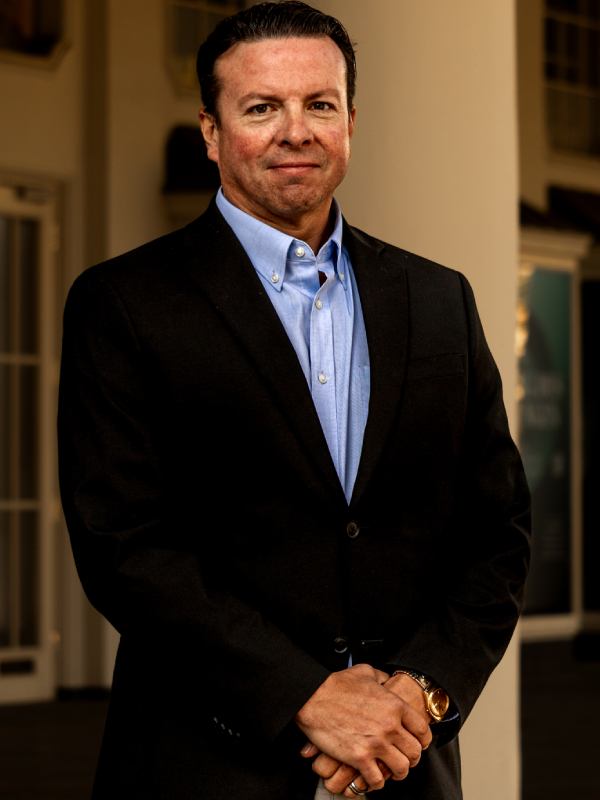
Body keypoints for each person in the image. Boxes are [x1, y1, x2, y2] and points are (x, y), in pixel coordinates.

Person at [57, 2, 531, 799]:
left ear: (350, 119)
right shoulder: (125, 304)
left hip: (401, 765)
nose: (296, 130)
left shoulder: (437, 298)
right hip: (204, 765)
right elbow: (125, 546)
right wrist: (307, 697)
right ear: (212, 132)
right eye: (261, 108)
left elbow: (497, 529)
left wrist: (420, 693)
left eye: (319, 104)